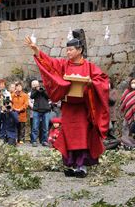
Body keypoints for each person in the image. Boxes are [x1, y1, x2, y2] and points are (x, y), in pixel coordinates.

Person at [25, 29, 109, 178]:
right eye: (67, 50)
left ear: (79, 50)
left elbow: (102, 81)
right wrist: (37, 50)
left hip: (83, 107)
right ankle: (70, 164)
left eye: (70, 50)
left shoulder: (89, 66)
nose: (68, 53)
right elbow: (49, 64)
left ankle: (82, 166)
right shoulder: (64, 64)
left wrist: (91, 82)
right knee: (69, 135)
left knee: (82, 135)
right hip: (69, 107)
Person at [30, 80, 51, 147]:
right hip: (36, 110)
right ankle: (34, 141)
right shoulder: (34, 90)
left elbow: (49, 97)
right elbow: (32, 96)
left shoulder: (46, 89)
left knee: (45, 127)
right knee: (35, 127)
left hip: (46, 110)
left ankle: (44, 141)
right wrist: (37, 90)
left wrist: (43, 90)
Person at [120, 77, 135, 148]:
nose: (133, 84)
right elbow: (123, 101)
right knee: (125, 128)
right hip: (127, 114)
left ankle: (132, 144)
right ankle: (126, 144)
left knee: (131, 130)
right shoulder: (127, 91)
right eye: (132, 83)